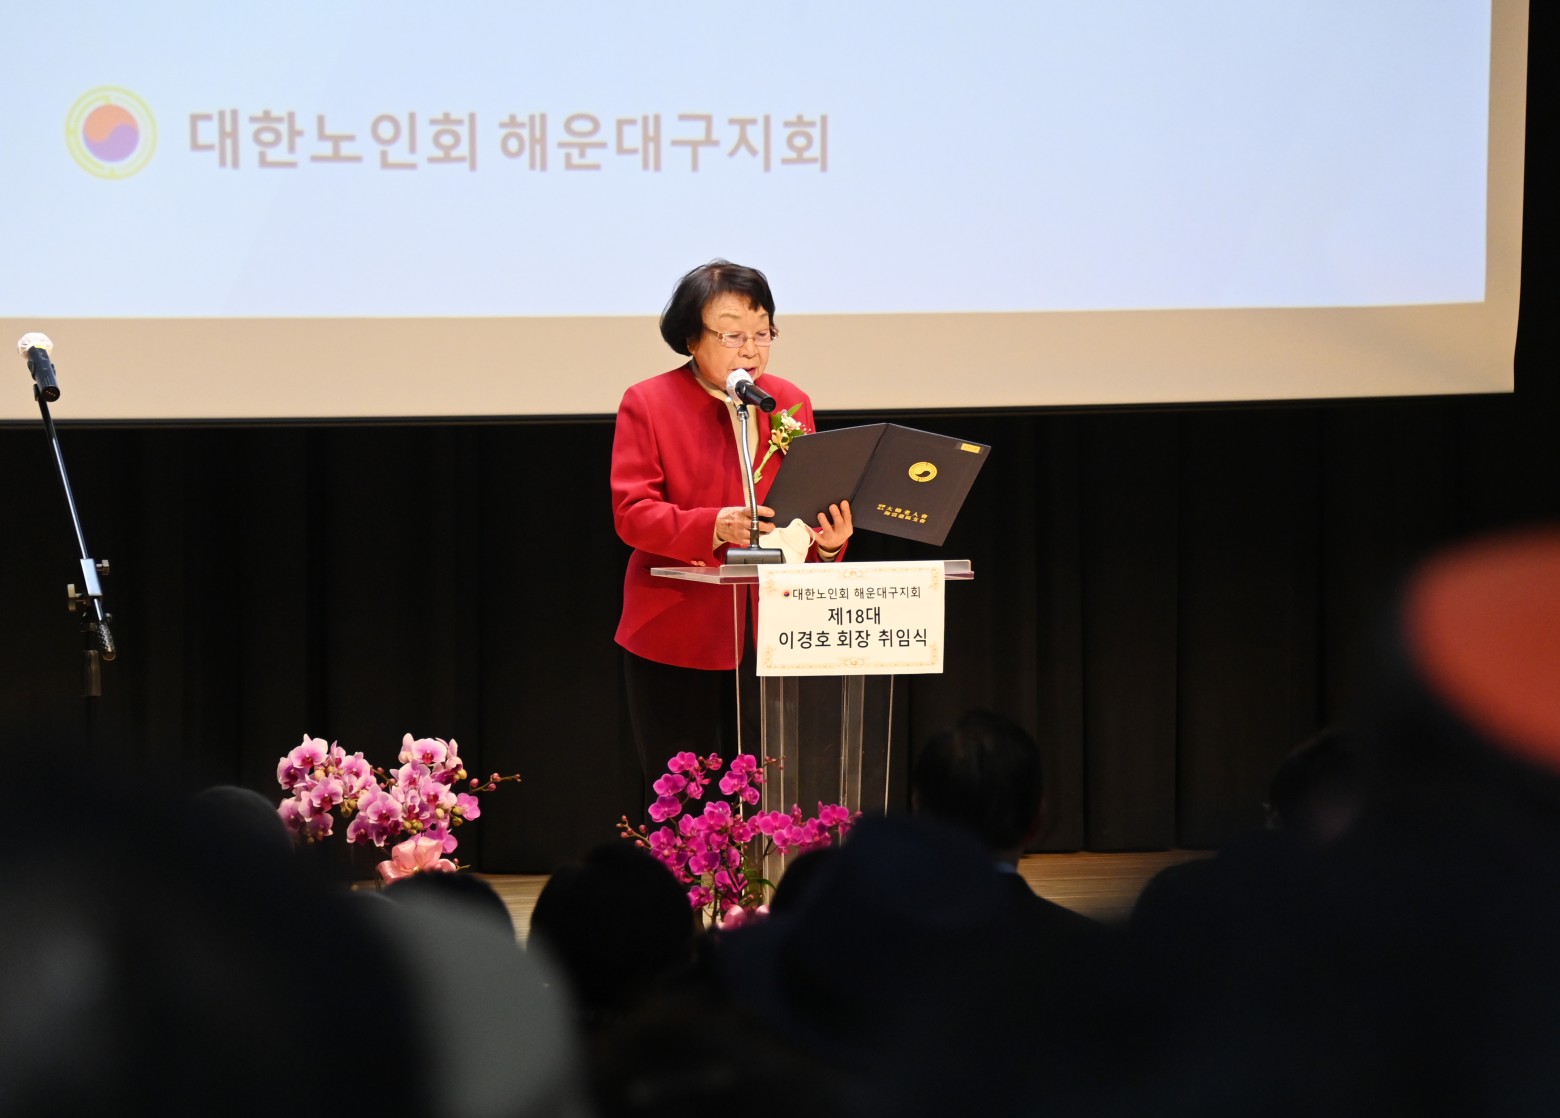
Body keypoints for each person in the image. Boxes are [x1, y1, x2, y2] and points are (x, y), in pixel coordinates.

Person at [612, 260, 852, 775]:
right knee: (685, 790)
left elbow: (805, 514)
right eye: (732, 334)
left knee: (772, 782)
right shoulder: (649, 402)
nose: (751, 349)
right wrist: (713, 526)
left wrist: (829, 544)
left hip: (778, 629)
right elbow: (632, 514)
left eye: (762, 333)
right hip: (678, 628)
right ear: (691, 338)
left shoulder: (789, 403)